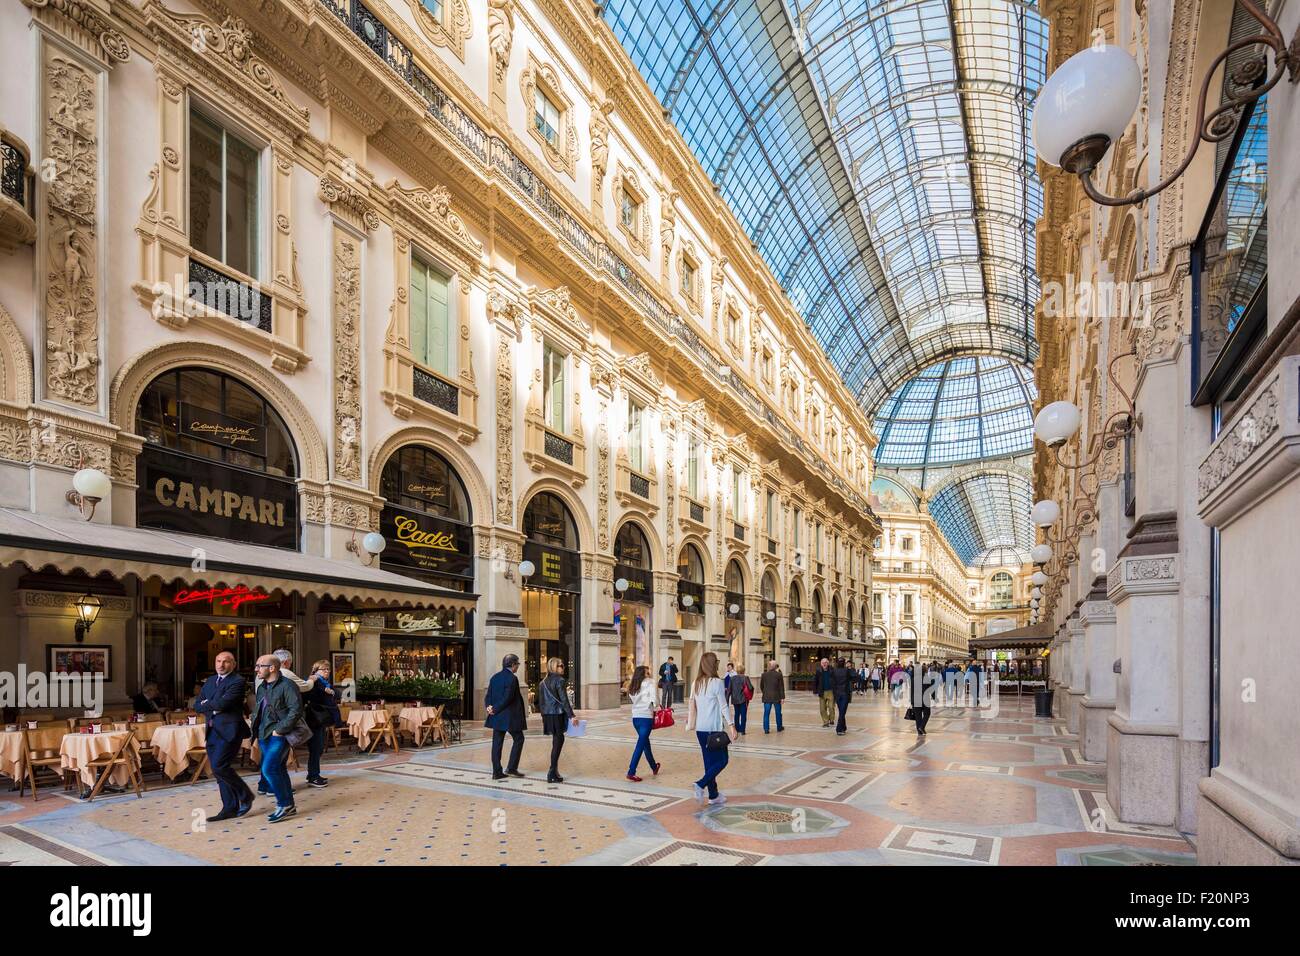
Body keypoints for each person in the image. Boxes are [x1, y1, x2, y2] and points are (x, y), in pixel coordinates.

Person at [194, 651, 252, 821]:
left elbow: (223, 703)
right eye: (218, 661)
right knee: (218, 772)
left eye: (226, 662)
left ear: (233, 664)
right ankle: (229, 808)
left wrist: (209, 704)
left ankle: (245, 795)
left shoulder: (238, 681)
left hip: (229, 731)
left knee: (220, 766)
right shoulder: (210, 681)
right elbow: (198, 705)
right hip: (212, 731)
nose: (221, 665)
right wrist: (211, 705)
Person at [250, 654, 304, 822]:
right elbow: (259, 710)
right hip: (263, 734)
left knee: (268, 769)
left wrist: (280, 730)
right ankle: (290, 806)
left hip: (278, 735)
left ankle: (283, 804)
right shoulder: (262, 687)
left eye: (260, 666)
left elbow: (296, 710)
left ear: (272, 668)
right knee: (279, 769)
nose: (256, 669)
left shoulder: (287, 686)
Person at [685, 651, 735, 805]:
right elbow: (724, 705)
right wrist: (732, 725)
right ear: (713, 664)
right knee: (723, 760)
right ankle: (701, 784)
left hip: (701, 729)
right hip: (714, 730)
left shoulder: (696, 682)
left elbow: (692, 705)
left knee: (709, 763)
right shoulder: (717, 682)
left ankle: (713, 795)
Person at [485, 654, 526, 780]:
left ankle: (496, 771)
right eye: (518, 664)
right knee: (519, 739)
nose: (518, 667)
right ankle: (512, 768)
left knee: (497, 743)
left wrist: (489, 707)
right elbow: (507, 698)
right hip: (509, 717)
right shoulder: (512, 678)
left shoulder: (494, 677)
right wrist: (495, 708)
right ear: (513, 665)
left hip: (496, 716)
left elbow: (488, 696)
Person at [537, 657, 576, 783]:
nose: (563, 667)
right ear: (554, 667)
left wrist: (543, 716)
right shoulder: (560, 680)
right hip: (557, 715)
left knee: (556, 740)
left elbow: (541, 703)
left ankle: (554, 770)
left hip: (547, 715)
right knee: (558, 740)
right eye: (561, 665)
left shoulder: (543, 682)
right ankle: (552, 771)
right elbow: (564, 700)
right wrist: (572, 716)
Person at [302, 659, 339, 788]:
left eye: (328, 669)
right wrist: (325, 691)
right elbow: (308, 697)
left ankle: (313, 774)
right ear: (316, 670)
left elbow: (336, 694)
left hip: (322, 719)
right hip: (314, 719)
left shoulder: (326, 684)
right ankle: (313, 776)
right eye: (324, 669)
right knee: (316, 747)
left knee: (319, 747)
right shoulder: (313, 682)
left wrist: (329, 691)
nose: (327, 672)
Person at [626, 665, 661, 781]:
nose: (649, 674)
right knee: (640, 745)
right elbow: (655, 700)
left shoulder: (633, 684)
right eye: (647, 673)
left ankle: (654, 766)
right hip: (646, 717)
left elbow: (633, 699)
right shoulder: (651, 682)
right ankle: (631, 771)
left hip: (635, 718)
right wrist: (655, 705)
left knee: (645, 743)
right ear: (643, 674)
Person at [760, 660, 785, 733]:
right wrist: (782, 697)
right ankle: (779, 727)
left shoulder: (764, 674)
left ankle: (766, 729)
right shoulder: (779, 675)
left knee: (766, 713)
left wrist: (765, 692)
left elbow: (761, 686)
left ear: (769, 666)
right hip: (776, 697)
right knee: (778, 713)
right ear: (775, 666)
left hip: (767, 697)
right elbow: (781, 687)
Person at [830, 657, 854, 735]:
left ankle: (843, 727)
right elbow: (855, 677)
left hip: (838, 694)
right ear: (844, 663)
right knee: (842, 712)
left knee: (841, 711)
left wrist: (834, 693)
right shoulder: (847, 671)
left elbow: (832, 683)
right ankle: (839, 729)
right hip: (844, 694)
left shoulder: (834, 671)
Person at [728, 663, 753, 737]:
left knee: (736, 714)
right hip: (743, 699)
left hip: (735, 699)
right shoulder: (745, 678)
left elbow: (729, 690)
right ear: (744, 670)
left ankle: (737, 729)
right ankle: (742, 730)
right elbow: (750, 687)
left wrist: (726, 700)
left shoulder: (732, 678)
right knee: (743, 714)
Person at [813, 657, 834, 727]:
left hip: (831, 691)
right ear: (821, 664)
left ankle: (831, 719)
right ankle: (826, 722)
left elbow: (835, 680)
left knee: (831, 707)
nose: (824, 664)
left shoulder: (832, 670)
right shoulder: (818, 671)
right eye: (823, 663)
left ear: (828, 663)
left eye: (826, 662)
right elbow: (815, 681)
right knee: (822, 708)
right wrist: (815, 690)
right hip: (822, 691)